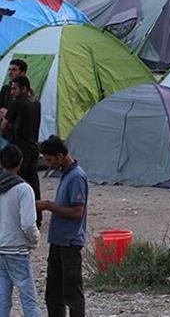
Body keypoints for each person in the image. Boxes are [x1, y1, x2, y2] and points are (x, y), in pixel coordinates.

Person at [36, 136, 88, 317]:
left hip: (70, 241)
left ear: (60, 156)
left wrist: (48, 206)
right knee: (53, 291)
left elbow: (77, 212)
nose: (48, 164)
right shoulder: (66, 174)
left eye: (50, 160)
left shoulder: (76, 177)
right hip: (58, 240)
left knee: (72, 290)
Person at [0, 145, 41, 317]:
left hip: (1, 248)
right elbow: (28, 224)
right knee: (28, 297)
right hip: (17, 250)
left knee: (2, 297)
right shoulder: (24, 189)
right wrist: (35, 240)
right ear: (20, 162)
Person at [2, 77, 42, 228]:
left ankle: (20, 218)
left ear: (24, 88)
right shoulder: (35, 102)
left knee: (17, 184)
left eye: (15, 89)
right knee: (33, 183)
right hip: (33, 148)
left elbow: (4, 126)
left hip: (20, 148)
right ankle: (37, 217)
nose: (12, 92)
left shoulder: (17, 103)